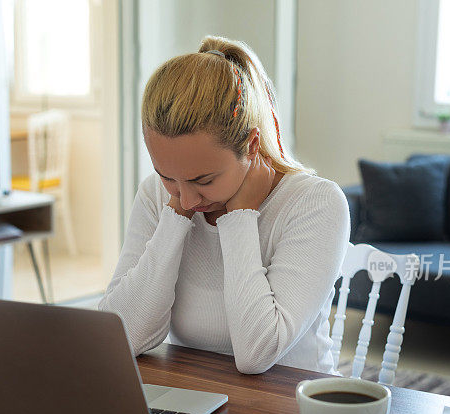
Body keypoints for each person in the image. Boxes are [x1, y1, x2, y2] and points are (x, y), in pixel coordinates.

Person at [98, 36, 350, 374]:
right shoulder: (157, 197)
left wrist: (241, 216)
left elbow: (257, 353)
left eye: (203, 181)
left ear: (251, 146)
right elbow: (122, 337)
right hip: (196, 398)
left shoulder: (315, 204)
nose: (186, 199)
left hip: (293, 411)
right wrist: (173, 218)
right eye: (167, 176)